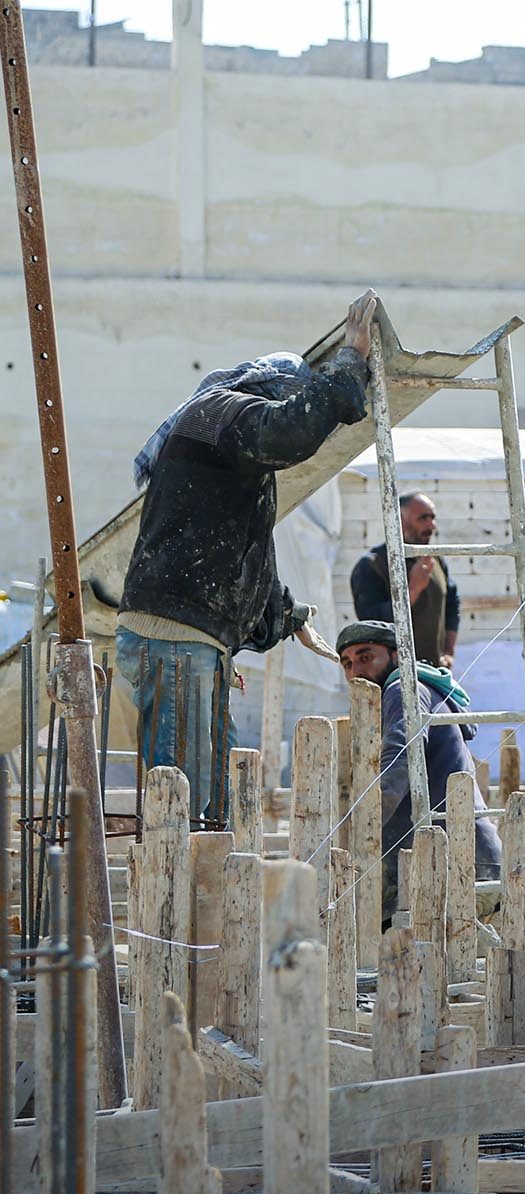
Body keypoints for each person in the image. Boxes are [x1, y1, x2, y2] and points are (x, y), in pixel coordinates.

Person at [116, 290, 377, 822]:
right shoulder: (222, 411)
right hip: (176, 639)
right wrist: (351, 362)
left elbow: (242, 555)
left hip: (189, 642)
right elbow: (290, 431)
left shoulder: (221, 451)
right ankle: (176, 902)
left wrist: (285, 616)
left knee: (211, 800)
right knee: (184, 803)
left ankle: (198, 897)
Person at [336, 620, 503, 921]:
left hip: (454, 867)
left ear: (397, 656)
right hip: (465, 859)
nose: (355, 672)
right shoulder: (422, 689)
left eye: (366, 657)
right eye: (347, 664)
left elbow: (398, 761)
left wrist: (355, 830)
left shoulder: (403, 689)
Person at [351, 492, 460, 668]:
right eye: (423, 518)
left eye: (432, 518)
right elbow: (371, 624)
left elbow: (452, 604)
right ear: (399, 521)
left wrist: (448, 652)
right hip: (393, 677)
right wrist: (412, 591)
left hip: (435, 673)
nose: (432, 525)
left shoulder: (434, 560)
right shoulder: (373, 565)